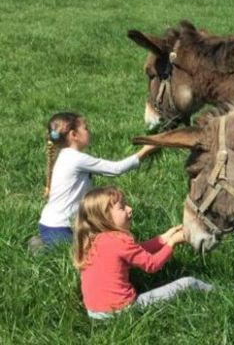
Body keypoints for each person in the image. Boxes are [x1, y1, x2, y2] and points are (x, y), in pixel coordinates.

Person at [73, 186, 215, 319]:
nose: (129, 209)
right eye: (122, 207)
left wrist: (163, 238)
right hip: (121, 311)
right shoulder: (119, 240)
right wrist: (172, 242)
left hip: (95, 313)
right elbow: (152, 264)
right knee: (188, 283)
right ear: (105, 218)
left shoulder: (94, 240)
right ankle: (223, 292)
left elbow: (136, 251)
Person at [33, 112, 157, 248]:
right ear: (73, 135)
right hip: (61, 228)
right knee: (86, 258)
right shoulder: (76, 159)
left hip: (51, 223)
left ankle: (43, 243)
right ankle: (39, 247)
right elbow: (116, 169)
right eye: (85, 128)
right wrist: (146, 150)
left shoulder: (65, 156)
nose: (89, 131)